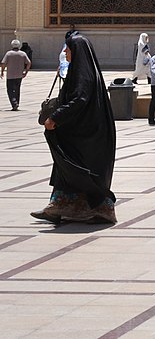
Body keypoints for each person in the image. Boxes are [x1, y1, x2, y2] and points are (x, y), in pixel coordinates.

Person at [33, 31, 117, 225]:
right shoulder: (81, 72)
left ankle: (103, 210)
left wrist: (55, 117)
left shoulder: (83, 75)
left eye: (68, 49)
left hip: (88, 138)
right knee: (67, 167)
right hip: (80, 135)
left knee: (80, 170)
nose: (65, 52)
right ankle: (59, 206)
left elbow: (79, 99)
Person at [3, 39, 32, 111]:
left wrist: (2, 71)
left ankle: (14, 102)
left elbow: (3, 63)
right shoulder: (22, 54)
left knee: (10, 90)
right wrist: (26, 72)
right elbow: (29, 63)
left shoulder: (8, 53)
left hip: (10, 75)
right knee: (17, 89)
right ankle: (17, 103)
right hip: (19, 75)